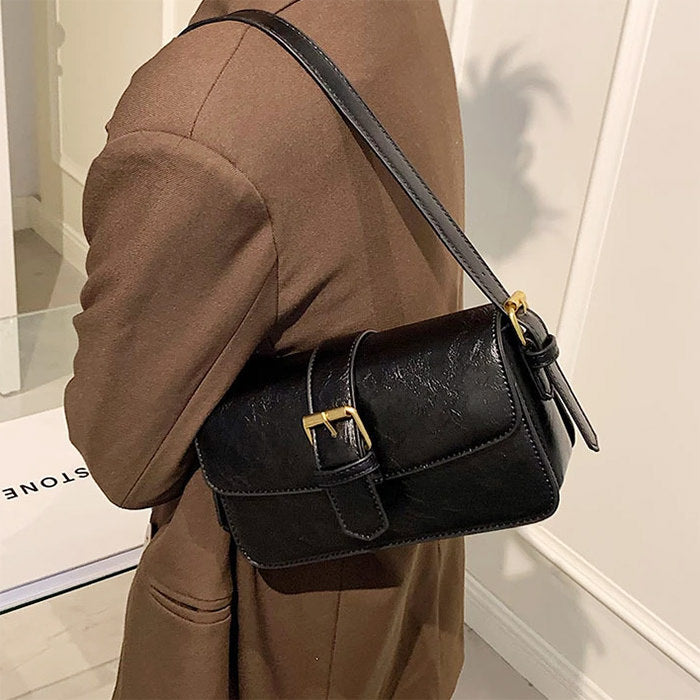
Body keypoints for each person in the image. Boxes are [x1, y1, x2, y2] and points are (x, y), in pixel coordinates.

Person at [64, 0, 466, 697]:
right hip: (405, 515)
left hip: (283, 605)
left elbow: (122, 456)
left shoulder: (204, 110)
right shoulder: (391, 12)